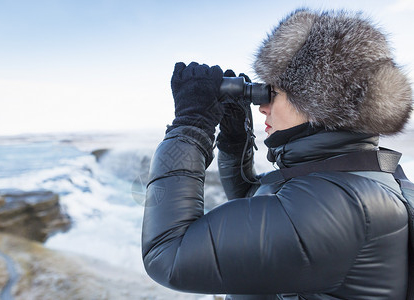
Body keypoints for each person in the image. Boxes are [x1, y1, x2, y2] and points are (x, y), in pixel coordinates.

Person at [141, 8, 413, 300]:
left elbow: (168, 254)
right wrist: (236, 138)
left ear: (317, 101)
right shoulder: (356, 178)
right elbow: (257, 206)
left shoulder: (340, 205)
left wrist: (191, 124)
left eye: (274, 92)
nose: (263, 107)